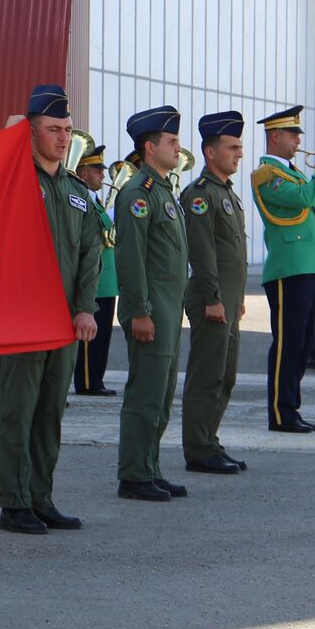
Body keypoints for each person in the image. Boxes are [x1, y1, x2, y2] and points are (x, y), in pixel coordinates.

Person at [0, 85, 101, 533]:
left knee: (51, 409)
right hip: (22, 317)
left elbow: (89, 251)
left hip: (64, 319)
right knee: (18, 409)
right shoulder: (13, 181)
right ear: (31, 132)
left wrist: (85, 308)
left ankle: (41, 495)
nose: (62, 138)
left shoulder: (75, 189)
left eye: (68, 130)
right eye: (53, 129)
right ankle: (13, 501)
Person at [250, 106, 315, 433]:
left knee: (305, 345)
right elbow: (305, 198)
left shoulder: (293, 173)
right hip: (289, 268)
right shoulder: (267, 174)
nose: (298, 140)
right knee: (289, 343)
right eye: (293, 134)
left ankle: (292, 409)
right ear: (275, 136)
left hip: (309, 265)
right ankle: (281, 413)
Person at [114, 105, 188, 502]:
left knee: (161, 393)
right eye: (172, 141)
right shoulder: (137, 194)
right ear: (149, 146)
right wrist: (139, 310)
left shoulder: (163, 190)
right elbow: (131, 259)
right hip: (151, 308)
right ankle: (134, 473)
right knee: (146, 392)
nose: (179, 148)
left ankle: (150, 466)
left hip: (168, 308)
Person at [181, 111, 249, 474]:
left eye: (240, 147)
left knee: (226, 375)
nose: (239, 153)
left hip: (227, 301)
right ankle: (197, 448)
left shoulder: (227, 194)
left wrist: (234, 301)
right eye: (232, 147)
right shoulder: (200, 195)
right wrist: (212, 299)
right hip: (211, 300)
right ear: (211, 152)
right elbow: (202, 252)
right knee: (206, 374)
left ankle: (210, 439)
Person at [73, 142, 120, 396]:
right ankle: (88, 381)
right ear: (82, 174)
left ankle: (96, 380)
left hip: (107, 279)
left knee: (102, 337)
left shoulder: (96, 200)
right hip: (96, 281)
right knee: (90, 340)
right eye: (97, 170)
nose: (103, 175)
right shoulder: (84, 199)